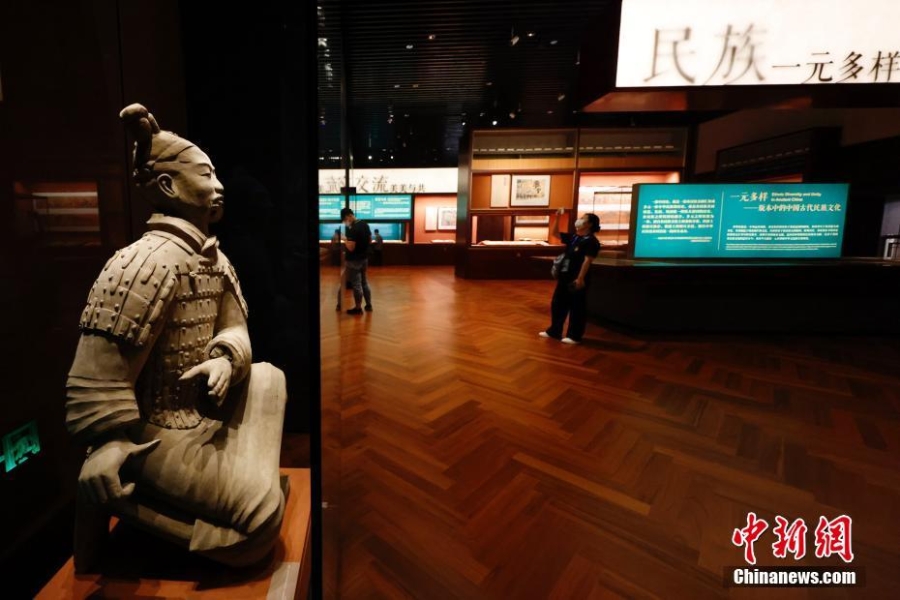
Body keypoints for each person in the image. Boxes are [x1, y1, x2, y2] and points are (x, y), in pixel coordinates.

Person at [66, 104, 287, 570]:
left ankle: (241, 484)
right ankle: (227, 517)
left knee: (269, 377)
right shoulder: (144, 263)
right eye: (207, 175)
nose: (220, 186)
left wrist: (227, 357)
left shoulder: (215, 260)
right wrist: (108, 442)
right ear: (167, 185)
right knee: (262, 519)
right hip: (152, 433)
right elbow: (96, 377)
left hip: (202, 410)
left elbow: (234, 326)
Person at [540, 210, 601, 344]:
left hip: (576, 278)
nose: (579, 220)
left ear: (589, 224)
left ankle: (574, 335)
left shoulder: (591, 241)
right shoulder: (575, 237)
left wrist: (580, 278)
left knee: (576, 307)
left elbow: (587, 261)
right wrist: (557, 217)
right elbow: (554, 233)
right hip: (565, 276)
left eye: (582, 218)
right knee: (558, 304)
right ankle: (554, 331)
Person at [341, 207, 373, 314]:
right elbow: (370, 239)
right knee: (364, 282)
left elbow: (351, 248)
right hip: (364, 259)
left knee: (356, 284)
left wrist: (344, 239)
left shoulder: (352, 228)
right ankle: (368, 305)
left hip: (354, 261)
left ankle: (358, 308)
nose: (345, 222)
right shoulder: (364, 224)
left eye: (345, 220)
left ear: (348, 216)